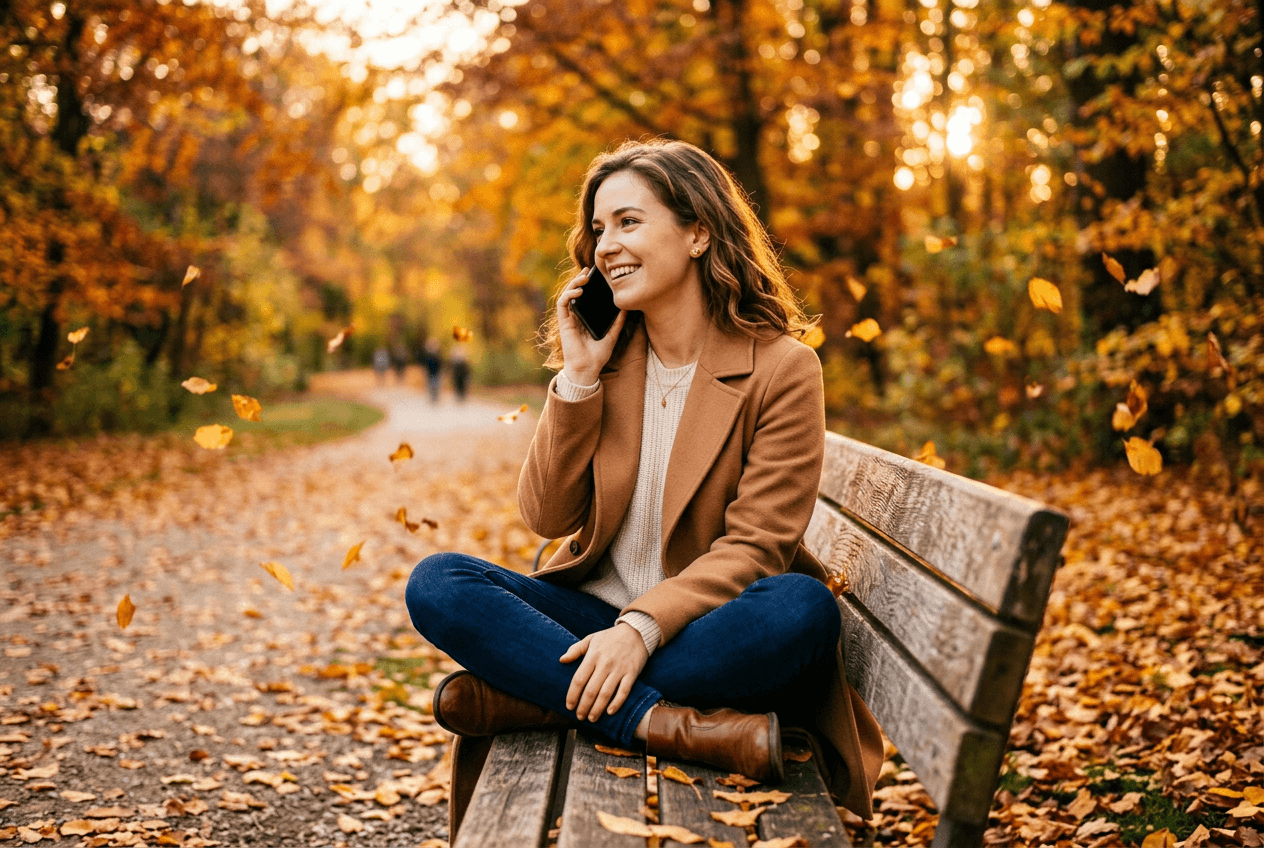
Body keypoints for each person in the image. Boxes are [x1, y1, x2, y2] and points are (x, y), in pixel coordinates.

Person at [404, 139, 882, 838]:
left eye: (629, 222)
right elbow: (546, 515)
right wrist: (578, 378)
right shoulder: (609, 362)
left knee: (802, 609)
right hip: (591, 624)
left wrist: (641, 629)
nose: (605, 247)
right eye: (598, 229)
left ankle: (535, 700)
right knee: (438, 581)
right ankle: (660, 722)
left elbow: (757, 546)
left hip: (704, 631)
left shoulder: (782, 369)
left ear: (697, 233)